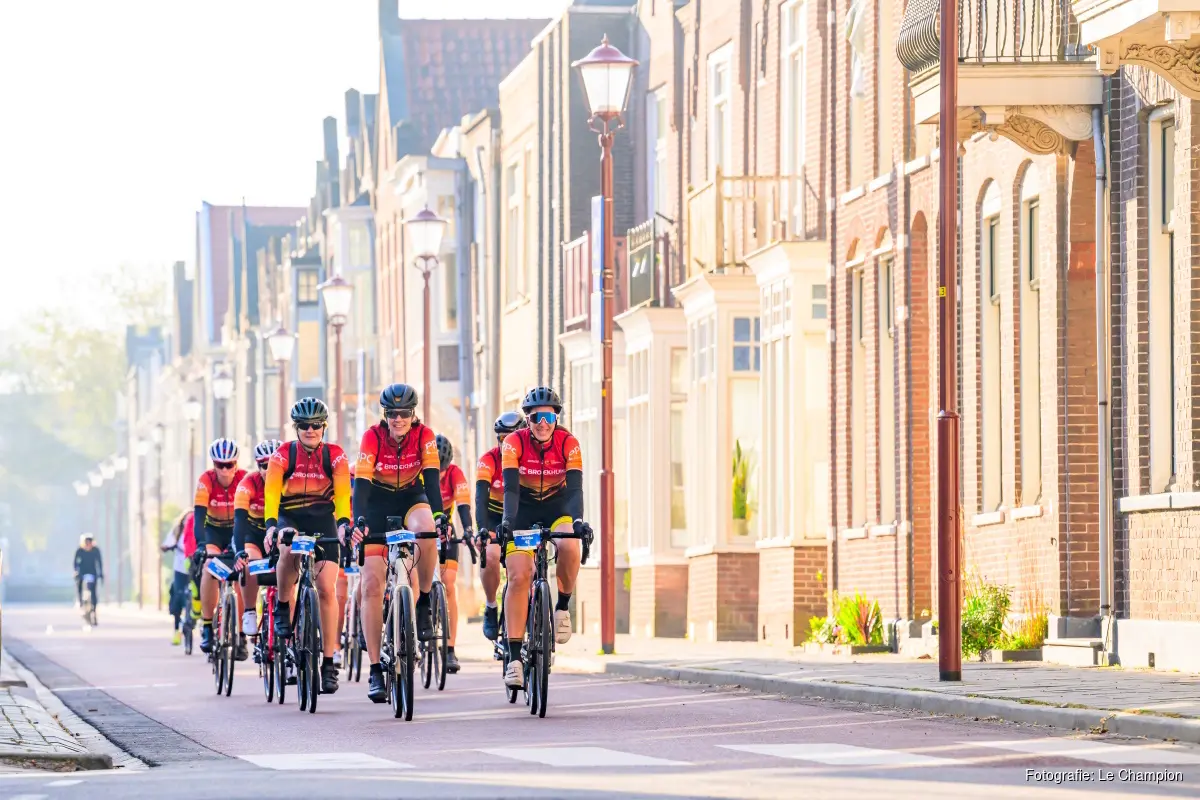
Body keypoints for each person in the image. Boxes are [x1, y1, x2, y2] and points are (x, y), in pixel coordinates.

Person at [350, 383, 446, 703]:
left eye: (404, 413)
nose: (398, 419)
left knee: (427, 530)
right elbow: (362, 486)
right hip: (376, 503)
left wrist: (440, 515)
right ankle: (375, 669)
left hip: (410, 497)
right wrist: (360, 521)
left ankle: (424, 601)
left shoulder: (424, 435)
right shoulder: (372, 437)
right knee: (371, 584)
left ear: (413, 414)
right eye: (392, 413)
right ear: (385, 415)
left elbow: (431, 482)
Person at [263, 397, 352, 696]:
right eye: (304, 425)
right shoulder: (283, 455)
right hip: (290, 516)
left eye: (315, 425)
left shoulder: (335, 455)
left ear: (324, 427)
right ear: (296, 428)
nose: (310, 430)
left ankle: (328, 662)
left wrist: (343, 524)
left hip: (323, 519)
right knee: (287, 547)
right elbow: (272, 493)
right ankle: (283, 604)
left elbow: (343, 495)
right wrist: (272, 526)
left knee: (326, 589)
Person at [499, 386, 584, 689]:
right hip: (522, 510)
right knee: (519, 576)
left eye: (548, 417)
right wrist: (507, 522)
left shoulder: (569, 443)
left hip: (556, 507)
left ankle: (562, 607)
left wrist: (578, 521)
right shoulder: (514, 443)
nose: (543, 424)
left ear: (556, 418)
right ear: (528, 420)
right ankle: (514, 659)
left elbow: (574, 490)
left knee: (570, 545)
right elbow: (510, 489)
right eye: (536, 418)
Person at [474, 411, 526, 640]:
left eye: (512, 438)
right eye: (502, 439)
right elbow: (480, 499)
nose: (507, 444)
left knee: (531, 567)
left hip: (522, 516)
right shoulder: (488, 460)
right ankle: (491, 605)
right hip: (494, 517)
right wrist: (482, 529)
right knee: (491, 554)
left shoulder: (530, 459)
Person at [194, 438, 247, 657]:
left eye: (229, 465)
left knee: (243, 573)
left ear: (236, 464)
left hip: (237, 530)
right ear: (213, 464)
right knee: (210, 567)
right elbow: (199, 518)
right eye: (220, 465)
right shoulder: (206, 480)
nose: (224, 470)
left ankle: (241, 635)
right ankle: (207, 626)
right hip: (214, 531)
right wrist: (201, 545)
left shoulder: (244, 479)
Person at [233, 439, 283, 646]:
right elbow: (239, 521)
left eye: (274, 465)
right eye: (264, 465)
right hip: (253, 534)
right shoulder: (248, 484)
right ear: (257, 466)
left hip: (279, 534)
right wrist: (240, 551)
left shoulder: (290, 482)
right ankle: (250, 611)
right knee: (250, 563)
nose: (269, 470)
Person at [435, 433, 472, 674]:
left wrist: (468, 529)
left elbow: (463, 503)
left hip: (445, 530)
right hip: (420, 529)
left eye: (443, 469)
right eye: (435, 469)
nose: (439, 475)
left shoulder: (454, 473)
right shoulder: (420, 472)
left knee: (449, 584)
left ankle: (449, 649)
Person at [161, 510, 197, 645]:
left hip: (195, 567)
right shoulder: (177, 531)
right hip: (180, 568)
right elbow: (167, 543)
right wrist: (166, 547)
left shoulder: (198, 529)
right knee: (177, 596)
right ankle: (176, 629)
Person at [73, 534, 103, 610]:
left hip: (92, 572)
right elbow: (76, 562)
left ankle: (94, 606)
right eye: (86, 542)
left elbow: (99, 562)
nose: (88, 544)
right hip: (82, 572)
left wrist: (100, 573)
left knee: (93, 590)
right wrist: (76, 571)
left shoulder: (96, 550)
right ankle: (80, 601)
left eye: (90, 542)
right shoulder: (80, 551)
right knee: (79, 584)